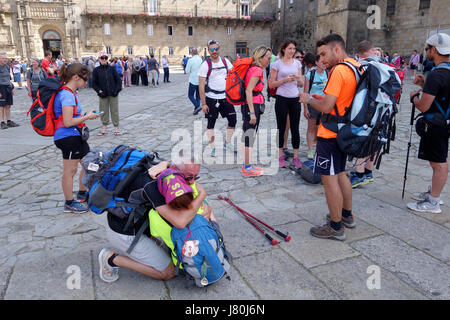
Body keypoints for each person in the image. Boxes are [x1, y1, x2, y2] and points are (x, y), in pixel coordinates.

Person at [98, 159, 213, 283]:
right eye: (189, 177)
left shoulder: (168, 172)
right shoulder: (154, 186)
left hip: (141, 224)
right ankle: (110, 259)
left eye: (196, 177)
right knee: (169, 272)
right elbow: (180, 222)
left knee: (201, 208)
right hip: (126, 233)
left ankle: (154, 243)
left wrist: (165, 163)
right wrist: (202, 195)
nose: (192, 182)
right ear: (176, 169)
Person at [299, 34, 359, 241]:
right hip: (345, 130)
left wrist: (307, 99)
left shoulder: (338, 71)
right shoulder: (354, 66)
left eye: (324, 53)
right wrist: (321, 99)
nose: (322, 58)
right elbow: (339, 99)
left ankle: (335, 226)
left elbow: (326, 107)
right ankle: (346, 215)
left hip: (330, 133)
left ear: (337, 49)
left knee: (328, 177)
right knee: (341, 173)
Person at [407, 33, 450, 214]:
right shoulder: (446, 72)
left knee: (438, 163)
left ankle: (433, 201)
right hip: (445, 121)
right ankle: (434, 193)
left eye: (427, 49)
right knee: (441, 160)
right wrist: (425, 84)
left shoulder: (436, 74)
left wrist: (414, 97)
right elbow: (441, 95)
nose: (426, 53)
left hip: (435, 124)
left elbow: (424, 106)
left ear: (434, 49)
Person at [53, 63, 100, 213]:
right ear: (75, 77)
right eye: (85, 79)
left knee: (89, 163)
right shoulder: (67, 94)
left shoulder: (71, 92)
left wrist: (86, 114)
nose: (86, 83)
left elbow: (72, 116)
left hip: (75, 135)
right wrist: (87, 116)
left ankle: (81, 193)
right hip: (68, 137)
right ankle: (69, 203)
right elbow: (67, 122)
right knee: (70, 170)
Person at [269, 39, 304, 169]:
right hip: (281, 98)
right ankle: (280, 156)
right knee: (281, 127)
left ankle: (296, 157)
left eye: (294, 49)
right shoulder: (277, 64)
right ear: (284, 49)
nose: (292, 51)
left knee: (295, 128)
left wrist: (298, 79)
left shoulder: (297, 64)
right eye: (290, 48)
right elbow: (271, 84)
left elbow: (300, 84)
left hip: (294, 98)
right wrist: (284, 80)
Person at [198, 40, 237, 157]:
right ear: (208, 51)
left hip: (225, 97)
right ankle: (212, 147)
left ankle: (228, 142)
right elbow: (201, 86)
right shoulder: (205, 65)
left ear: (219, 49)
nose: (214, 52)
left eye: (216, 49)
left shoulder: (226, 62)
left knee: (233, 120)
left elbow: (234, 75)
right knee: (211, 124)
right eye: (211, 50)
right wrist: (204, 104)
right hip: (211, 98)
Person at [241, 46, 272, 177]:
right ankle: (247, 168)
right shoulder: (257, 70)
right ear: (260, 58)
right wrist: (252, 113)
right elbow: (249, 90)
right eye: (268, 58)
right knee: (249, 136)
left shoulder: (253, 69)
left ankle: (247, 164)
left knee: (247, 135)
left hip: (250, 105)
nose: (269, 60)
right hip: (252, 105)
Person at [303, 55, 328, 160]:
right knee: (311, 128)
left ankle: (320, 149)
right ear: (316, 62)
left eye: (325, 62)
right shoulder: (310, 75)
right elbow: (305, 92)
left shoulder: (329, 74)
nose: (324, 63)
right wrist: (305, 108)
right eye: (322, 61)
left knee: (323, 129)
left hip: (324, 104)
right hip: (312, 104)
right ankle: (310, 150)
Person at [92, 51, 122, 136]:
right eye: (102, 58)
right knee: (103, 111)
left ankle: (116, 128)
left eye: (105, 58)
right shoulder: (96, 70)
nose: (104, 59)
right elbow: (94, 83)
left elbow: (118, 81)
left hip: (113, 93)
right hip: (103, 94)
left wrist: (117, 90)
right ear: (99, 59)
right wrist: (99, 91)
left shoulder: (112, 69)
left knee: (114, 111)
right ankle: (104, 129)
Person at [0, 53, 19, 129]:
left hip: (8, 87)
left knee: (8, 105)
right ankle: (2, 122)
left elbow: (8, 78)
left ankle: (9, 121)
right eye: (3, 58)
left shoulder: (7, 67)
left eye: (5, 58)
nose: (5, 60)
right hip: (1, 87)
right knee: (1, 106)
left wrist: (11, 88)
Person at [185, 48, 203, 115]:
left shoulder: (191, 60)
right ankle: (196, 110)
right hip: (200, 79)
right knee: (198, 96)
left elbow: (187, 71)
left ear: (192, 53)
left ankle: (197, 106)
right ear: (197, 53)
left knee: (190, 95)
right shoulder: (200, 59)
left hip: (193, 80)